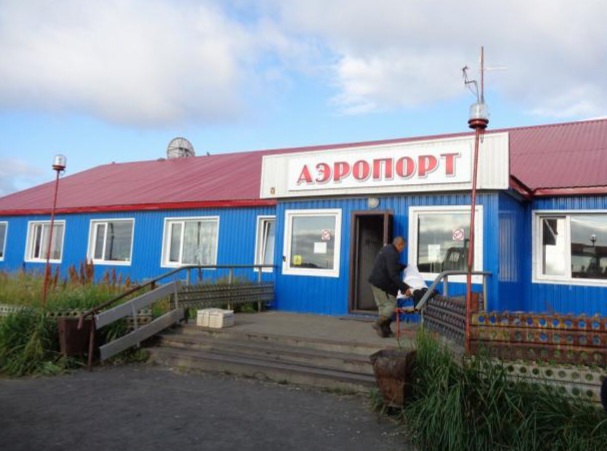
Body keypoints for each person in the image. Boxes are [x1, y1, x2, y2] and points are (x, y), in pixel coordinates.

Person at [368, 236, 411, 337]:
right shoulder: (393, 254)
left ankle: (385, 331)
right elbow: (393, 275)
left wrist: (405, 267)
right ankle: (377, 323)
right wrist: (405, 288)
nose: (403, 249)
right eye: (403, 247)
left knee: (383, 307)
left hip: (375, 283)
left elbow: (391, 266)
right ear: (399, 245)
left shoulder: (387, 249)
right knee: (392, 306)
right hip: (383, 285)